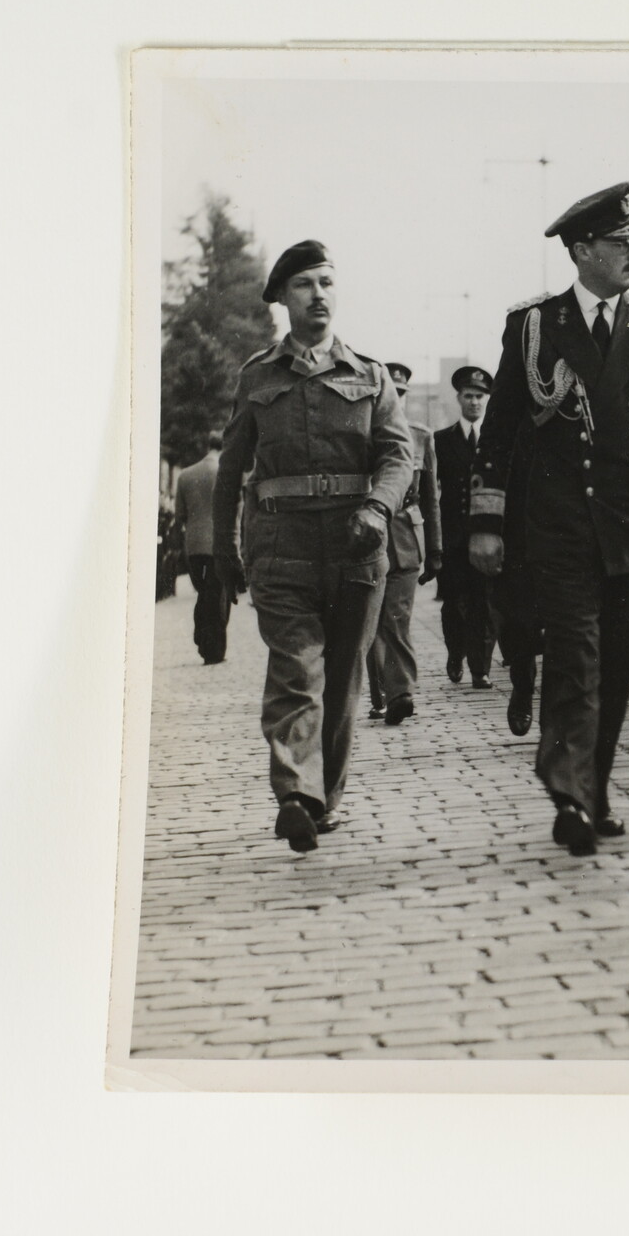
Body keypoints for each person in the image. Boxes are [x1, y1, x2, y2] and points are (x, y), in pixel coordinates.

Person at [469, 183, 629, 856]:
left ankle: (593, 785)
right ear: (582, 252)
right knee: (575, 659)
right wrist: (487, 521)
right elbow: (501, 429)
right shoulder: (536, 326)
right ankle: (570, 794)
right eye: (620, 243)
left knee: (616, 665)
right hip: (560, 521)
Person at [211, 240, 415, 853]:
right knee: (297, 667)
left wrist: (379, 508)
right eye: (305, 285)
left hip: (358, 548)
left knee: (346, 673)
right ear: (283, 299)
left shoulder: (371, 375)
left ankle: (323, 799)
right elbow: (231, 467)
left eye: (327, 282)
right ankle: (297, 794)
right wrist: (223, 551)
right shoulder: (257, 377)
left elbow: (398, 454)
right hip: (282, 546)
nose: (319, 294)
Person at [364, 362, 442, 725]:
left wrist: (436, 549)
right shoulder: (363, 434)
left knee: (397, 619)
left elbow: (430, 499)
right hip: (369, 539)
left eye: (403, 394)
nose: (398, 400)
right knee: (370, 622)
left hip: (407, 540)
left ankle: (401, 694)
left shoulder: (422, 436)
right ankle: (381, 696)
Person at [434, 365, 497, 688]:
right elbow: (432, 493)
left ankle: (480, 668)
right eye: (469, 396)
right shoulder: (442, 441)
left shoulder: (496, 439)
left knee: (484, 603)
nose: (474, 402)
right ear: (458, 398)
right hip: (454, 538)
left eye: (480, 397)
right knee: (454, 603)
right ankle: (455, 654)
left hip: (486, 536)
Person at [174, 430, 231, 665]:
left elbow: (180, 515)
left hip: (195, 546)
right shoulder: (227, 472)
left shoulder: (186, 475)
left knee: (204, 593)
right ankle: (213, 649)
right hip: (220, 542)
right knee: (218, 596)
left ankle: (204, 637)